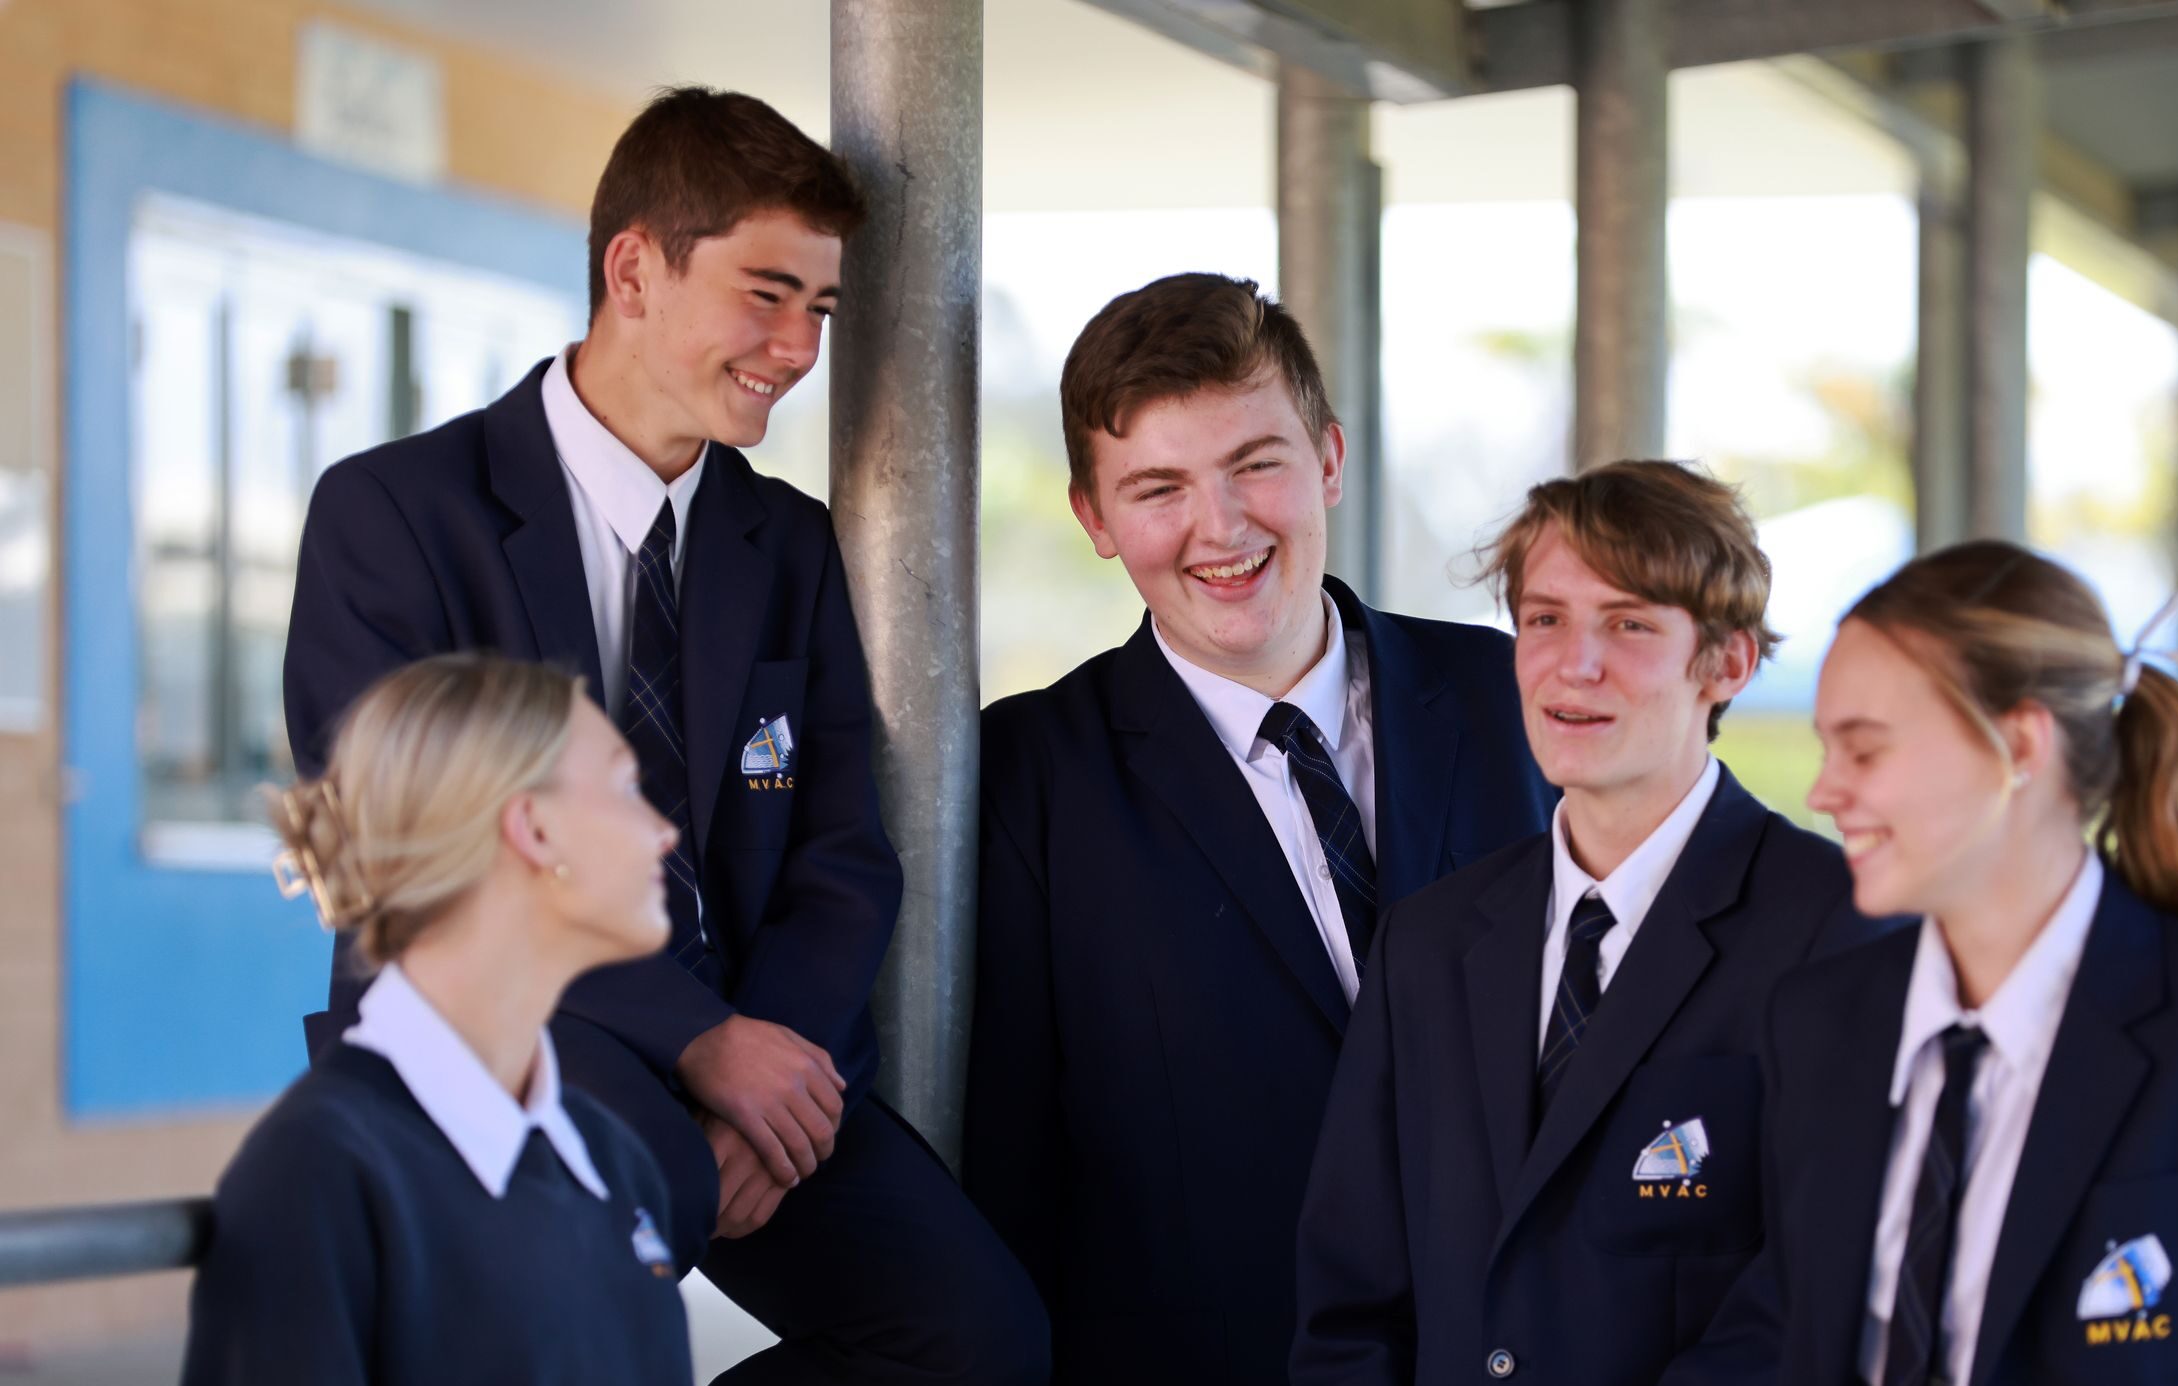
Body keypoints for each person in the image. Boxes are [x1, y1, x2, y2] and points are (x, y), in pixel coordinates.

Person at [281, 87, 1044, 1384]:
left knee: (976, 1339)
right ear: (633, 269)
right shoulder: (397, 515)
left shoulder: (788, 544)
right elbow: (409, 855)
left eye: (821, 306)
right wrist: (700, 1043)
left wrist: (769, 1071)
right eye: (766, 292)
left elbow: (840, 850)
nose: (799, 346)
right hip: (499, 1032)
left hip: (753, 1048)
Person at [966, 272, 1555, 1385]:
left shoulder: (1519, 699)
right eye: (1157, 488)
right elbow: (1011, 1171)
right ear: (1094, 519)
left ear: (1328, 458)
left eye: (1255, 464)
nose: (1220, 526)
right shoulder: (1025, 780)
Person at [1686, 540, 2178, 1386]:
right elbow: (1785, 1331)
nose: (1823, 791)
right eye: (1827, 749)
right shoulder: (1821, 1023)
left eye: (1865, 749)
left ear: (2022, 746)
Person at [1290, 460, 1894, 1386]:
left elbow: (1815, 1304)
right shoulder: (1429, 942)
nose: (1574, 663)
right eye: (1545, 619)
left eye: (1629, 623)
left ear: (1726, 662)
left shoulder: (1843, 934)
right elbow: (1352, 1301)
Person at [184, 655, 689, 1384]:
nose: (663, 832)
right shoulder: (317, 1175)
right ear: (533, 829)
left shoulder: (615, 1162)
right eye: (627, 786)